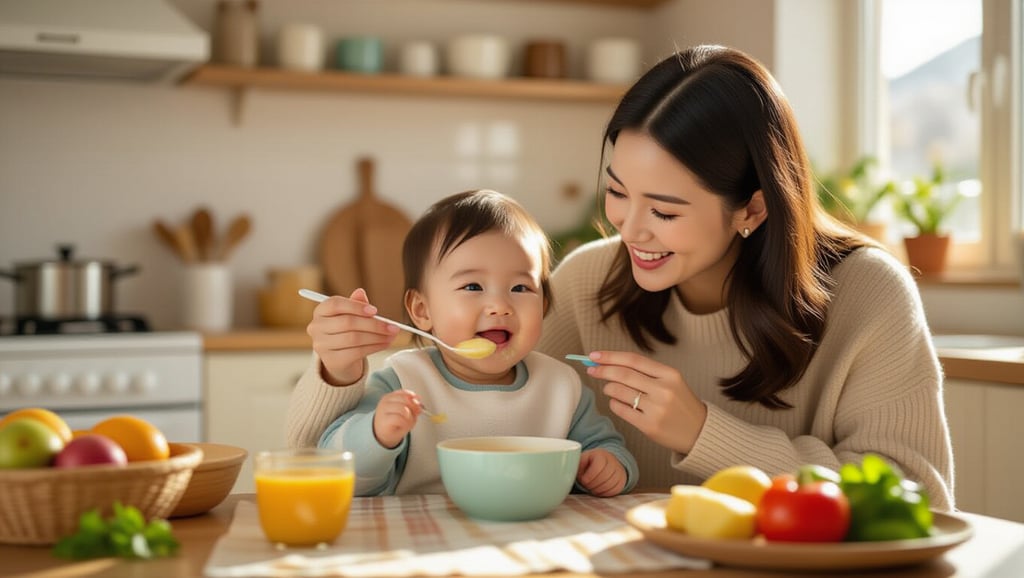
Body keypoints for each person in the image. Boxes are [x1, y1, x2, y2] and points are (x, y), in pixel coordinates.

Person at [534, 44, 954, 510]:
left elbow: (918, 497)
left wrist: (703, 432)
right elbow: (495, 414)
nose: (629, 230)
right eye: (617, 192)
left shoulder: (868, 292)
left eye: (663, 211)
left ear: (752, 208)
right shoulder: (586, 281)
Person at [286, 189, 638, 497]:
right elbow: (338, 465)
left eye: (520, 288)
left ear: (543, 306)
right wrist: (376, 435)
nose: (500, 305)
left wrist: (609, 466)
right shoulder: (403, 382)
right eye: (472, 287)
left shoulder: (560, 386)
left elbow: (607, 447)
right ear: (422, 310)